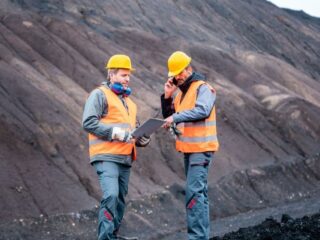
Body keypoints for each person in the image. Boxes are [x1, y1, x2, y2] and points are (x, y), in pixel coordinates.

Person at [82, 54, 150, 240]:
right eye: (123, 75)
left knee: (119, 201)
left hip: (125, 158)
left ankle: (112, 235)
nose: (127, 79)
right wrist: (116, 133)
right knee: (111, 195)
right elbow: (88, 122)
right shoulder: (99, 95)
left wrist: (142, 138)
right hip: (106, 156)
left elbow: (133, 132)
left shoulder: (130, 103)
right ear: (111, 75)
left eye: (128, 75)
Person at [161, 51, 219, 240]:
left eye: (179, 73)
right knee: (198, 193)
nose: (177, 77)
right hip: (189, 150)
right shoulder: (180, 95)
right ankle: (202, 236)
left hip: (201, 149)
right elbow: (170, 116)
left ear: (188, 69)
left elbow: (202, 110)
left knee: (194, 193)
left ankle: (197, 238)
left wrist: (174, 117)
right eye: (174, 74)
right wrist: (167, 97)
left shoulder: (203, 88)